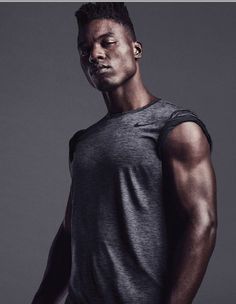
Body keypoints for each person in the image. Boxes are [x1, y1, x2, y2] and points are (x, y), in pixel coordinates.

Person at [31, 3, 217, 304]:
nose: (95, 55)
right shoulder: (83, 142)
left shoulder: (175, 128)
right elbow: (70, 232)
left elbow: (202, 223)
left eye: (107, 42)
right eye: (85, 49)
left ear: (136, 49)